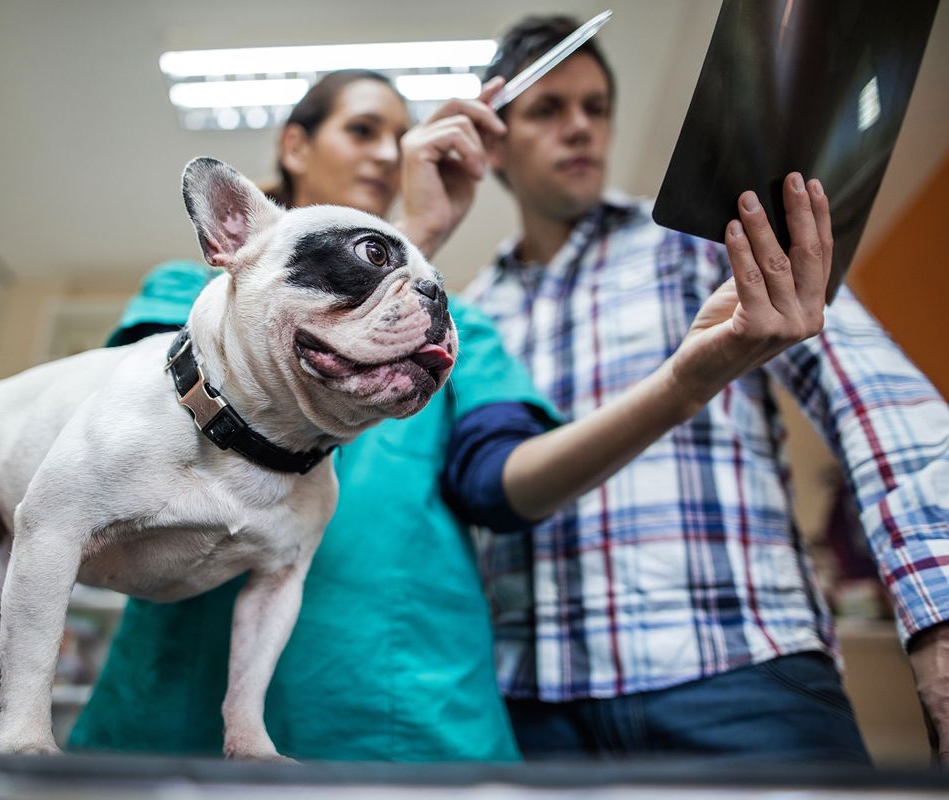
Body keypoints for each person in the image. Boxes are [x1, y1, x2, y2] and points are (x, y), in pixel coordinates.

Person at [68, 67, 831, 761]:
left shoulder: (461, 322)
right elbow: (139, 435)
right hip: (178, 720)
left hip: (406, 725)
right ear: (295, 145)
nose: (385, 157)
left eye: (400, 138)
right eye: (361, 130)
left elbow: (505, 486)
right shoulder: (197, 292)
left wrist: (686, 380)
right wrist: (408, 245)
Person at [461, 16, 949, 763]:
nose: (581, 127)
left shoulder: (703, 239)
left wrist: (939, 616)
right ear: (494, 142)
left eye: (595, 107)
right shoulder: (469, 318)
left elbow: (875, 398)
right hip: (537, 711)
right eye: (548, 110)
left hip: (741, 679)